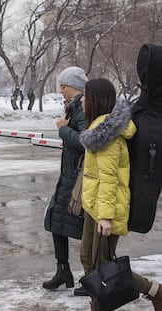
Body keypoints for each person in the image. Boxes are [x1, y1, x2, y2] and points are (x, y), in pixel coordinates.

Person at [79, 78, 161, 310]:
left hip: (106, 209)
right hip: (94, 206)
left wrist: (105, 216)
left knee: (105, 265)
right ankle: (98, 301)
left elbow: (109, 178)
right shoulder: (98, 127)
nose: (83, 100)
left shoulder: (107, 133)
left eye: (86, 95)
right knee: (88, 258)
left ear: (95, 99)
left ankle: (155, 291)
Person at [43, 66, 88, 293]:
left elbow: (84, 141)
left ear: (75, 87)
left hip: (77, 178)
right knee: (56, 221)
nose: (61, 90)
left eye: (63, 86)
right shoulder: (75, 106)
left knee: (78, 226)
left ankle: (91, 275)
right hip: (70, 175)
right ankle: (64, 271)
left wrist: (62, 129)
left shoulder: (81, 108)